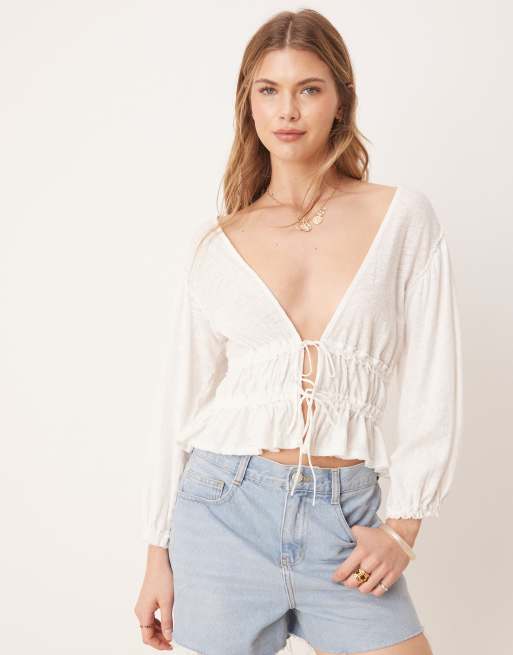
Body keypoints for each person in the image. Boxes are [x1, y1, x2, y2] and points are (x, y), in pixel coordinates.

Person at [134, 9, 463, 655]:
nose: (287, 110)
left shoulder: (402, 218)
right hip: (222, 512)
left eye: (308, 88)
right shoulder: (217, 244)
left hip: (346, 521)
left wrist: (402, 529)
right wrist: (155, 552)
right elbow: (179, 402)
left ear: (341, 100)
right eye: (269, 89)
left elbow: (435, 379)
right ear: (248, 103)